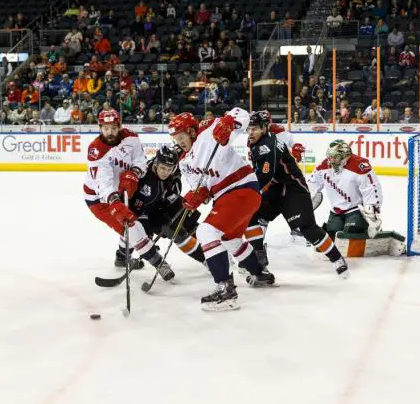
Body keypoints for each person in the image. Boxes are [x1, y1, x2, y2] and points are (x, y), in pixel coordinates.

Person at [169, 109, 275, 312]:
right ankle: (259, 273)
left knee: (206, 231)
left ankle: (225, 289)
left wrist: (228, 123)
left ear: (191, 131)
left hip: (242, 188)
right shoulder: (184, 162)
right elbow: (202, 188)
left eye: (181, 136)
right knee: (230, 240)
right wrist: (197, 196)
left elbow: (241, 115)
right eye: (175, 138)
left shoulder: (209, 130)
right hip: (228, 197)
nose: (179, 141)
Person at [244, 111, 350, 278]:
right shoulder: (257, 141)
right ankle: (259, 261)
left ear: (264, 128)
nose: (250, 133)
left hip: (292, 188)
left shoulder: (267, 146)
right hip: (275, 187)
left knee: (307, 228)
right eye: (249, 129)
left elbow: (264, 177)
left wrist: (246, 193)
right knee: (250, 216)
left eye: (254, 129)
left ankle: (338, 260)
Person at [83, 107, 174, 279]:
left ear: (119, 126)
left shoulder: (131, 137)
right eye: (106, 128)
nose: (110, 132)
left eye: (113, 128)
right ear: (100, 127)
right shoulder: (96, 150)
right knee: (133, 229)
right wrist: (115, 202)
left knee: (136, 226)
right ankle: (158, 262)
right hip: (100, 200)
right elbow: (103, 183)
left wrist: (134, 173)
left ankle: (121, 257)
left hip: (126, 189)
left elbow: (140, 160)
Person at [307, 140, 405, 257]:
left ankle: (369, 229)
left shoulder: (359, 166)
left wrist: (372, 212)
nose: (331, 161)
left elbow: (372, 188)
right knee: (332, 237)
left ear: (345, 157)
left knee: (351, 233)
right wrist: (306, 197)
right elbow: (311, 184)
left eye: (335, 157)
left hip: (355, 209)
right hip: (336, 211)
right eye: (330, 157)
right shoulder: (323, 167)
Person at [126, 144, 206, 267]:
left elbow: (182, 149)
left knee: (191, 223)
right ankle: (206, 260)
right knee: (177, 232)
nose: (166, 172)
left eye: (170, 169)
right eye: (163, 168)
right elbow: (136, 213)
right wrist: (147, 236)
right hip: (151, 214)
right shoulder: (143, 176)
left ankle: (212, 250)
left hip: (168, 203)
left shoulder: (172, 165)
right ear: (156, 163)